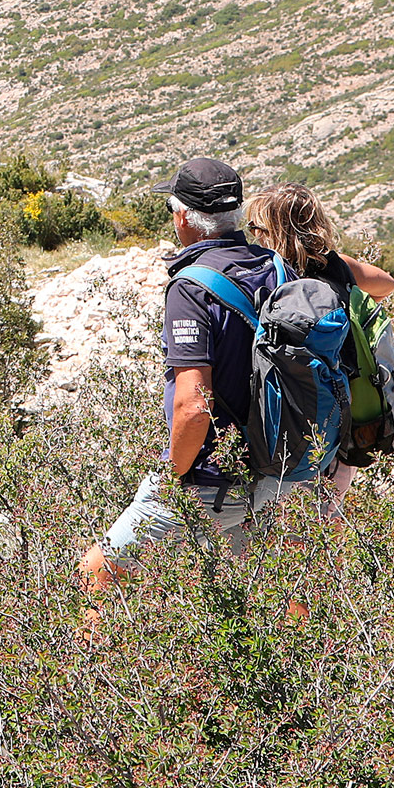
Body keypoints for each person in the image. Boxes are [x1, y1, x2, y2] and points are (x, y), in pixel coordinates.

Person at [81, 156, 306, 593]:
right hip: (273, 469)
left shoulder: (191, 288)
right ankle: (313, 661)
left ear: (183, 216)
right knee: (270, 591)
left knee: (97, 575)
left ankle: (91, 660)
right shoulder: (277, 268)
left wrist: (171, 476)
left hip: (208, 477)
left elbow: (192, 405)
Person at [244, 181, 394, 503]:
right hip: (345, 421)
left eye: (255, 226)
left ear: (268, 228)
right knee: (324, 526)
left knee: (275, 533)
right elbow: (387, 284)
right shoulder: (340, 266)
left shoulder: (265, 273)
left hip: (286, 425)